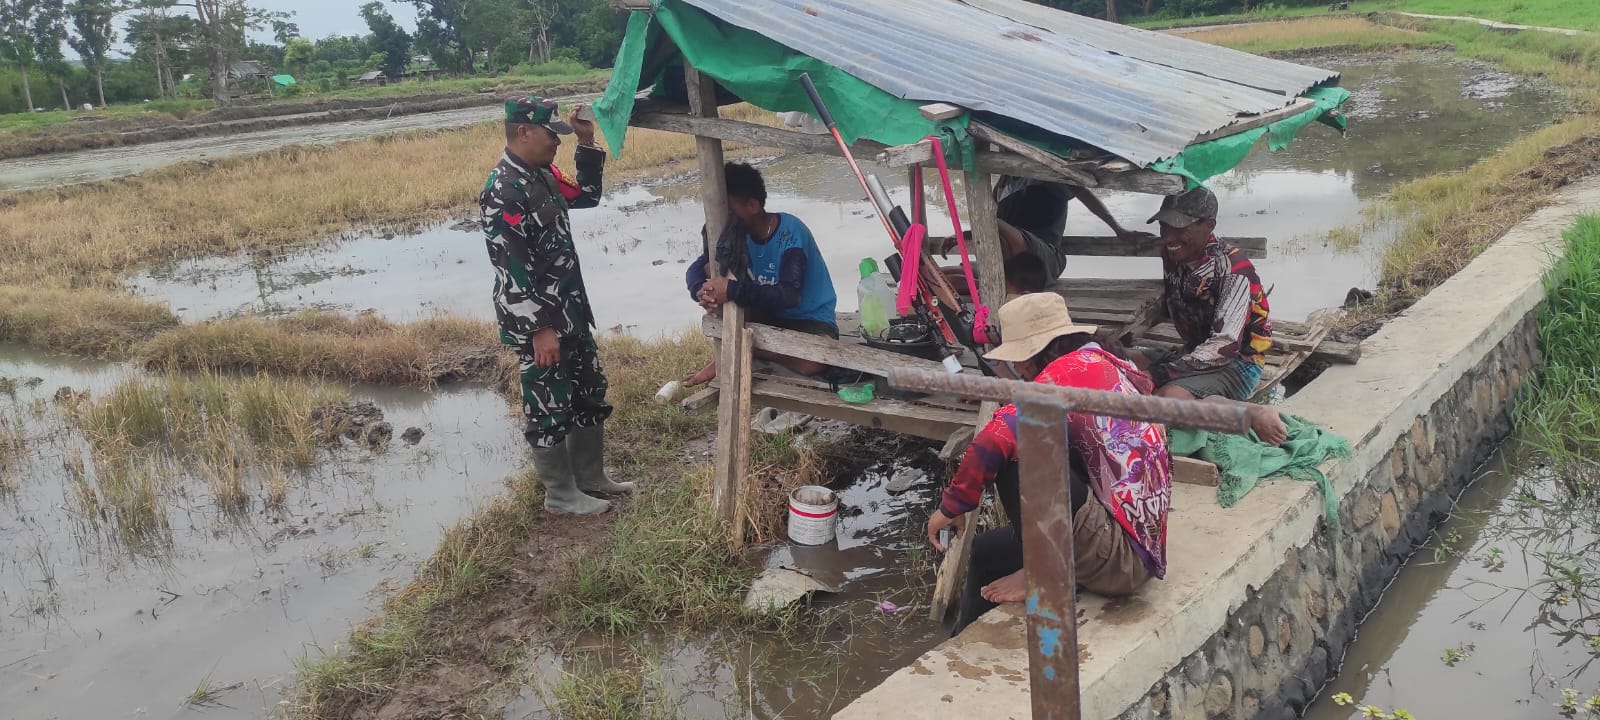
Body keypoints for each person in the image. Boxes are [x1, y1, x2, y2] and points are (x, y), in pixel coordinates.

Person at [926, 293, 1172, 633]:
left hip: (1121, 558)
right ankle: (960, 637)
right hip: (1138, 538)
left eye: (1019, 362)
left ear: (1029, 357)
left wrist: (952, 507)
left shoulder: (1064, 375)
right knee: (985, 550)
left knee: (1019, 460)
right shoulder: (1103, 360)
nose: (1020, 370)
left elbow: (994, 438)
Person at [479, 96, 633, 516]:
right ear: (524, 132)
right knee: (548, 403)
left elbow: (586, 195)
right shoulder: (503, 189)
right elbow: (511, 268)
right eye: (553, 134)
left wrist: (587, 140)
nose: (556, 142)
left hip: (571, 310)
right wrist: (538, 329)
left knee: (589, 392)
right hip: (541, 322)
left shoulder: (542, 174)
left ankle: (590, 477)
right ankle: (560, 495)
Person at [1135, 186, 1288, 445]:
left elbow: (1224, 346)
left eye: (1179, 227)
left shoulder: (1234, 270)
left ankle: (1252, 412)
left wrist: (1161, 373)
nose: (1168, 237)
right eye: (1164, 226)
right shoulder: (1173, 254)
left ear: (1208, 225)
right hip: (1193, 353)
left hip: (1237, 363)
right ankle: (1198, 392)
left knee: (1167, 398)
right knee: (1122, 357)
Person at [683, 162, 839, 387]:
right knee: (714, 277)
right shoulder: (736, 234)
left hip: (811, 321)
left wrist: (731, 289)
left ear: (753, 205)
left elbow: (788, 295)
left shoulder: (790, 232)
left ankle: (753, 352)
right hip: (767, 316)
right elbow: (698, 268)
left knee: (814, 363)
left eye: (730, 209)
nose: (726, 218)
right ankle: (747, 350)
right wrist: (702, 290)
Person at [939, 176, 1142, 292]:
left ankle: (997, 286)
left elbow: (1086, 196)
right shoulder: (1002, 186)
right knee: (942, 276)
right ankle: (995, 286)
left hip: (1044, 259)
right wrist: (962, 236)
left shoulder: (1046, 175)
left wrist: (1119, 230)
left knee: (995, 223)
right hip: (1010, 265)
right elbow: (989, 228)